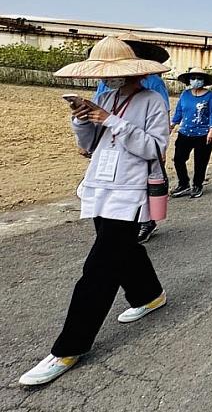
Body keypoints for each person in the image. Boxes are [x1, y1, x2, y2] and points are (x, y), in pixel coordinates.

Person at [19, 36, 170, 387]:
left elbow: (154, 148)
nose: (108, 78)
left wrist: (112, 121)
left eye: (112, 72)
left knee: (98, 269)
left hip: (129, 192)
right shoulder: (105, 97)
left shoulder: (151, 102)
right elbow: (88, 147)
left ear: (131, 71)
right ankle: (149, 295)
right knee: (122, 250)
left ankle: (68, 348)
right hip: (99, 188)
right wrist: (83, 119)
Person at [94, 31, 171, 244]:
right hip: (103, 176)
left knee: (106, 254)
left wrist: (160, 152)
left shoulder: (153, 90)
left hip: (130, 180)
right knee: (126, 253)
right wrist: (82, 120)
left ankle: (147, 221)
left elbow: (160, 121)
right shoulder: (105, 92)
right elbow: (98, 122)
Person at [171, 67, 212, 199]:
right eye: (193, 78)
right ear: (189, 80)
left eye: (199, 78)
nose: (196, 81)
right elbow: (179, 111)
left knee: (201, 162)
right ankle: (183, 183)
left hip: (203, 134)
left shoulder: (210, 96)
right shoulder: (185, 95)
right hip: (185, 132)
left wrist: (211, 130)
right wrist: (172, 124)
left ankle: (197, 185)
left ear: (204, 81)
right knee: (178, 159)